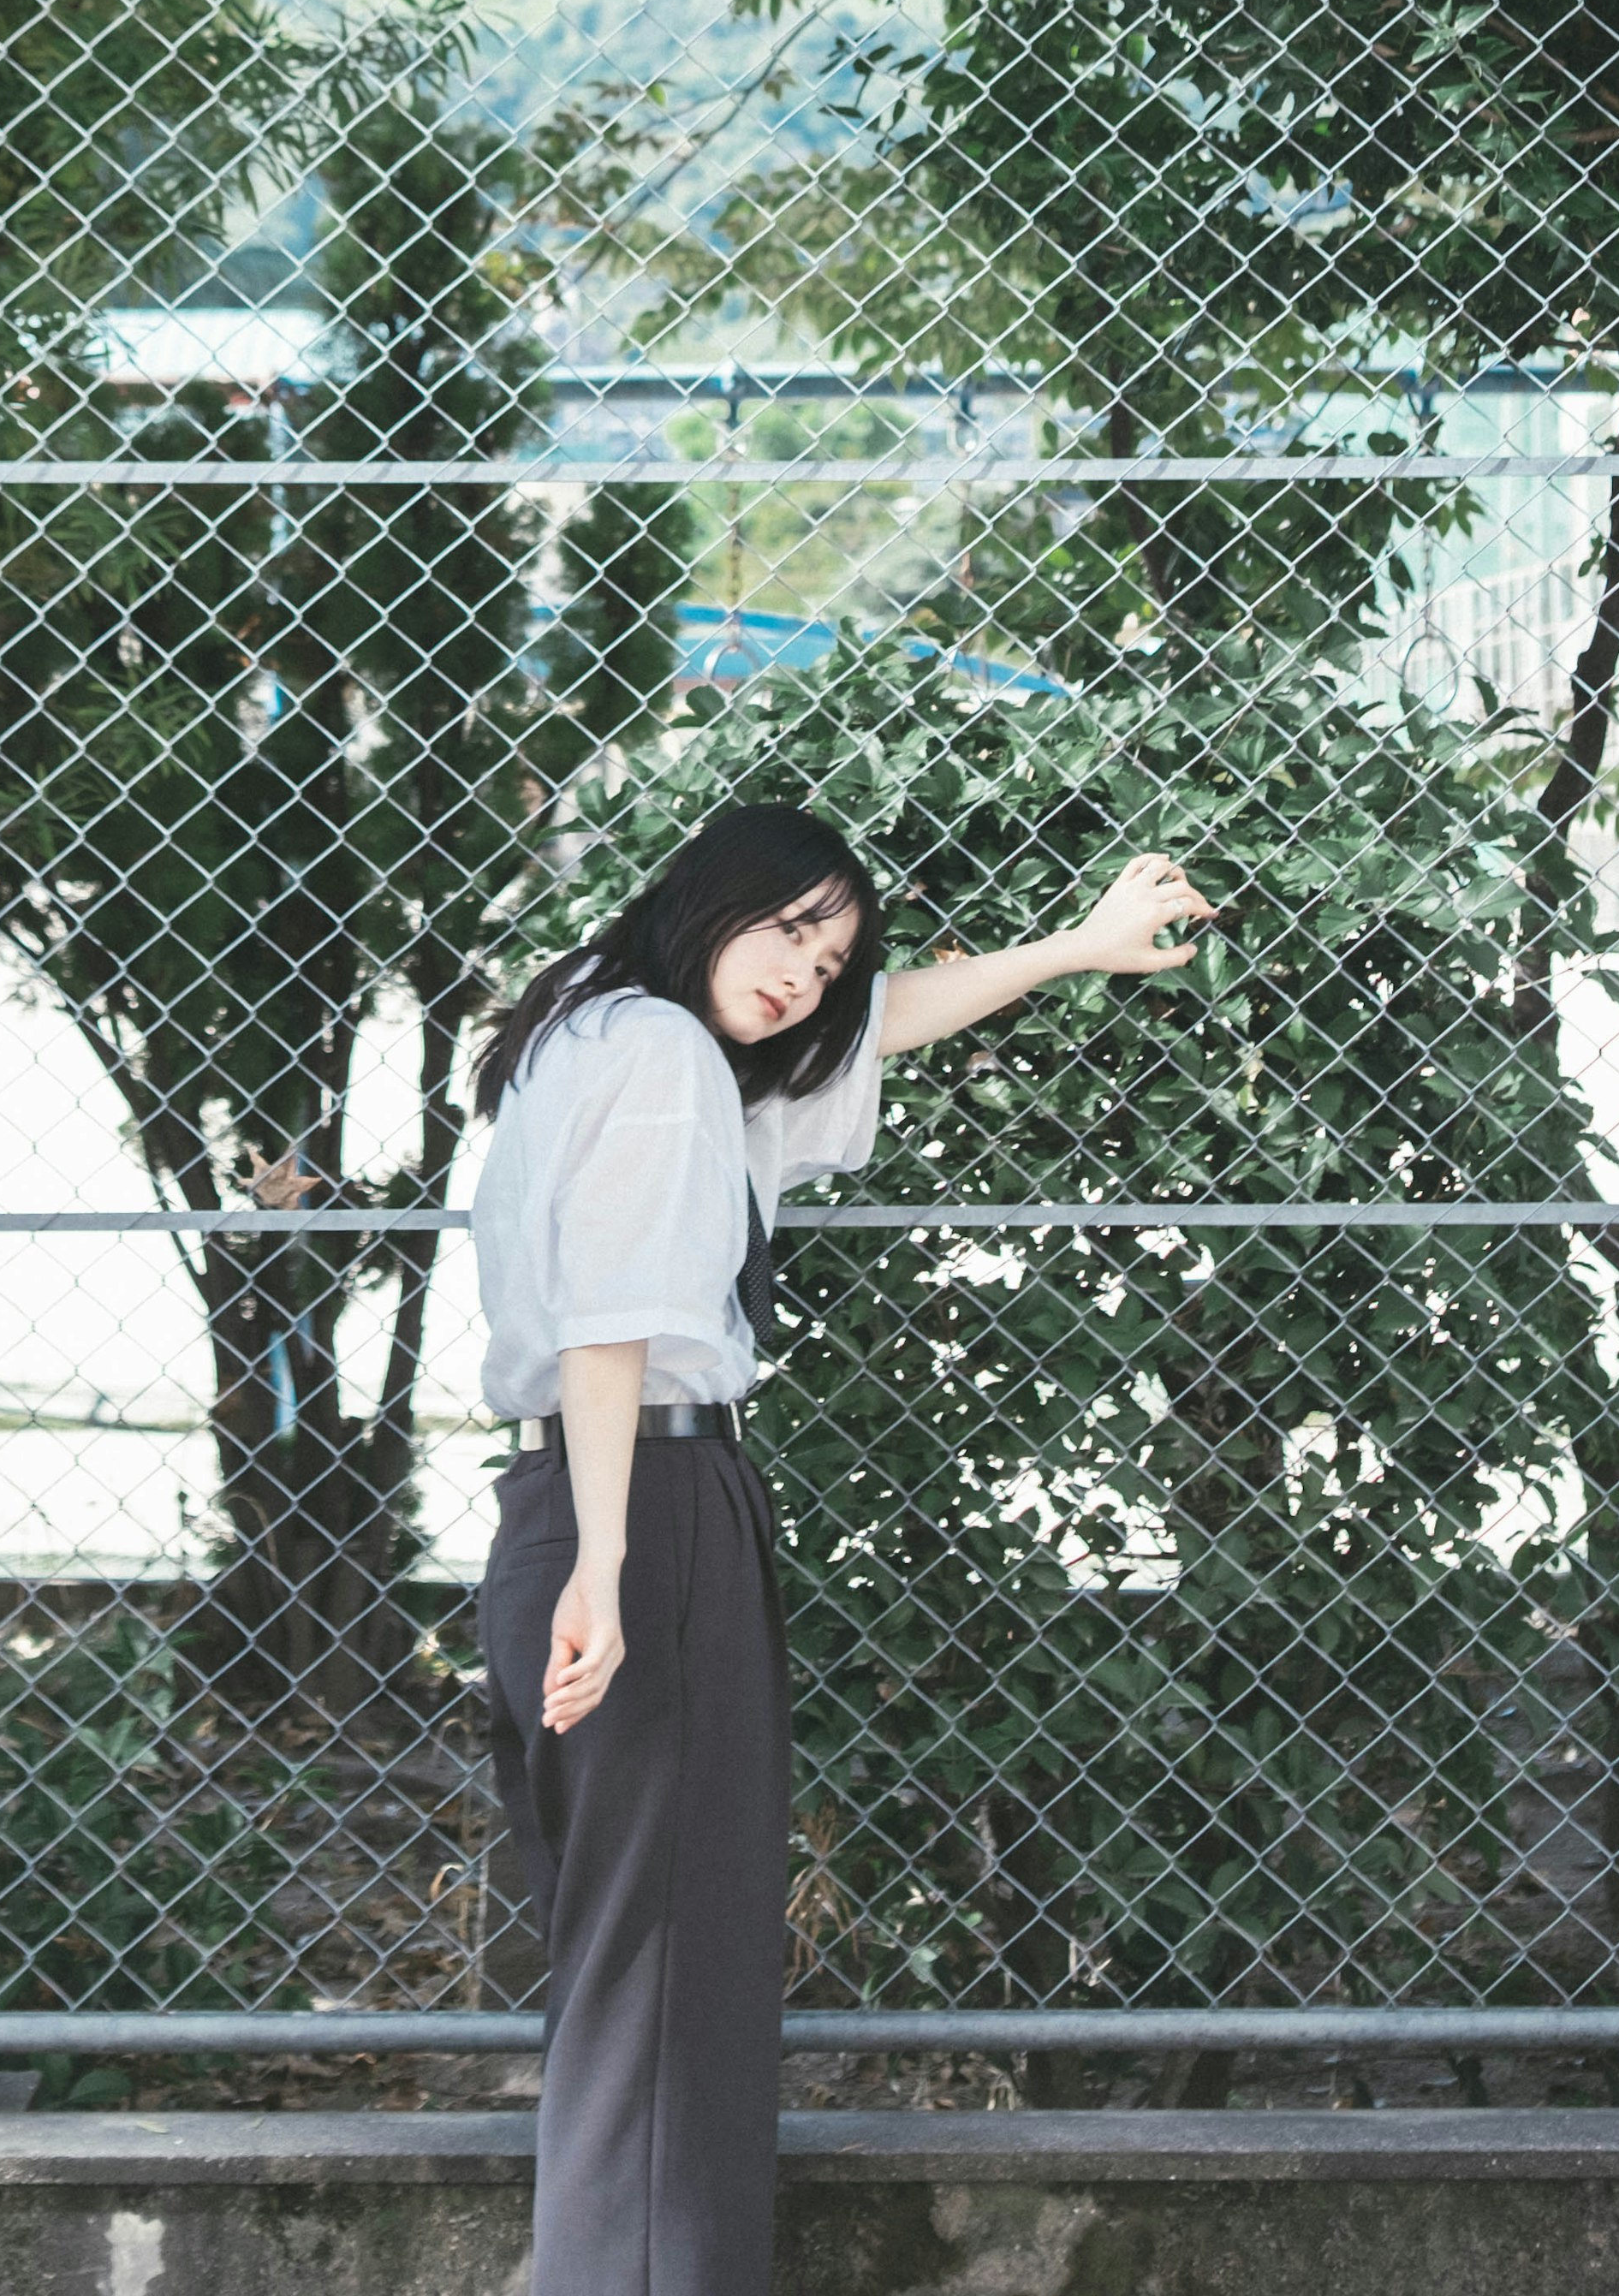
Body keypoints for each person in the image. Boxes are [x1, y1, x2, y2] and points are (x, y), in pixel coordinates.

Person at [466, 797, 1214, 2296]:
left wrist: (1076, 946)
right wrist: (612, 1567)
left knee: (629, 1981)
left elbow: (882, 1024)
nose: (812, 974)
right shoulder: (669, 1060)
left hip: (570, 1507)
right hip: (644, 1509)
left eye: (833, 951)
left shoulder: (593, 1023)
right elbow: (615, 1316)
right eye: (790, 927)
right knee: (676, 1985)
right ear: (707, 902)